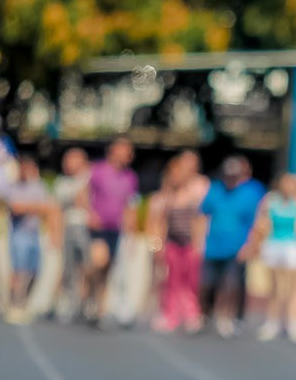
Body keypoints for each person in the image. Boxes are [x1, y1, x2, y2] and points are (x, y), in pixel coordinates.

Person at [199, 155, 264, 336]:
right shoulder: (215, 189)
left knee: (232, 285)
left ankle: (229, 318)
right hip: (213, 246)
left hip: (237, 248)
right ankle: (206, 316)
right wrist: (199, 241)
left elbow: (257, 221)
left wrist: (251, 245)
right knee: (208, 283)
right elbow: (203, 214)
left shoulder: (251, 192)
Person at [147, 150, 207, 334]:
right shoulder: (165, 198)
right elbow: (157, 224)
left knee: (190, 281)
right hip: (172, 244)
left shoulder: (193, 196)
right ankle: (169, 314)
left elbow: (199, 221)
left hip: (189, 245)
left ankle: (191, 315)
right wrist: (157, 247)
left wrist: (198, 245)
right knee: (170, 281)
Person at [84, 138, 139, 327]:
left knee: (107, 271)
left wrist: (131, 234)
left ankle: (99, 308)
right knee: (99, 261)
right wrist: (90, 213)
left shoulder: (130, 177)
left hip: (115, 230)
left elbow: (131, 205)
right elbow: (83, 194)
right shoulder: (98, 171)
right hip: (98, 229)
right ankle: (89, 293)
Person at [253, 172, 296, 342]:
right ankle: (272, 322)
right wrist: (257, 242)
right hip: (274, 244)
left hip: (292, 246)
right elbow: (261, 222)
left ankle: (295, 322)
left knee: (294, 286)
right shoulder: (270, 200)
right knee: (275, 287)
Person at [2, 154, 54, 321]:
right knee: (19, 271)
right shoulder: (13, 187)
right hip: (19, 234)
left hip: (34, 234)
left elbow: (48, 207)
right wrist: (35, 207)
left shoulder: (38, 187)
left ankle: (24, 302)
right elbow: (16, 208)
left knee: (35, 271)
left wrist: (31, 207)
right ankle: (14, 304)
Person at [50, 147, 93, 322]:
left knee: (88, 268)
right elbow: (56, 210)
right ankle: (67, 304)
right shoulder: (61, 183)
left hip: (87, 228)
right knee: (69, 269)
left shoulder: (91, 178)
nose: (68, 163)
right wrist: (55, 234)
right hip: (69, 228)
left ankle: (86, 304)